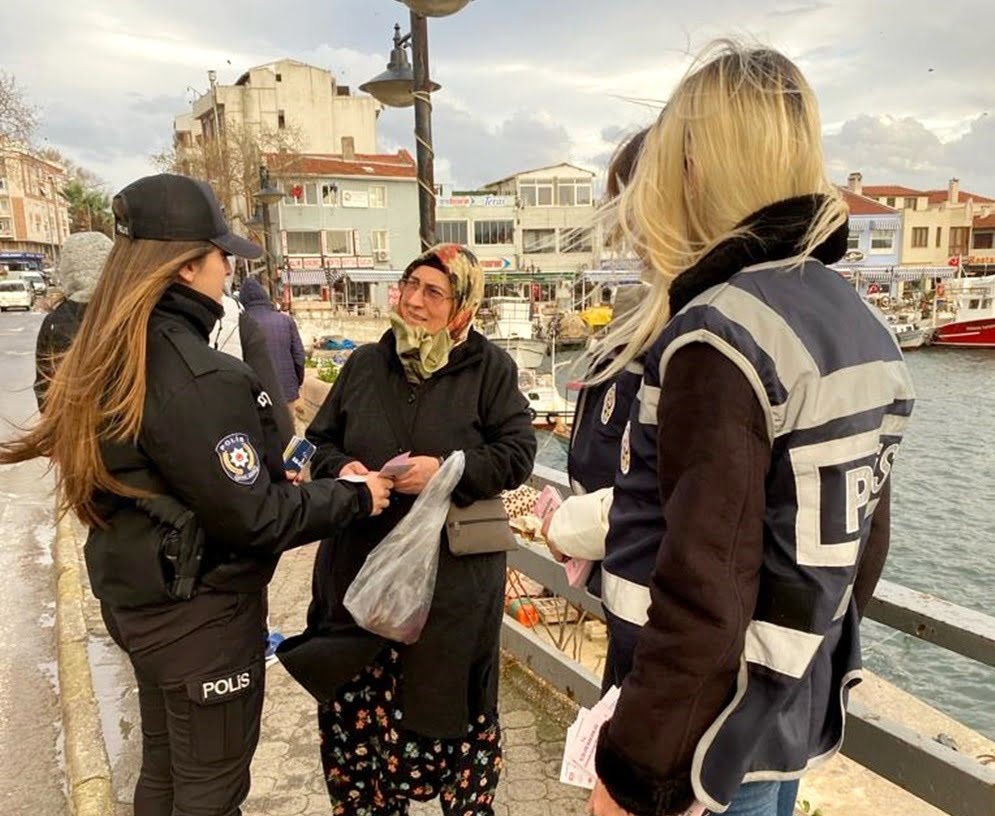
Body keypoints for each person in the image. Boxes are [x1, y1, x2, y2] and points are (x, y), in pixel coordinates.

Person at [586, 43, 916, 816]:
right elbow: (862, 544)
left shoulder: (720, 333)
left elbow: (703, 589)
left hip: (696, 744)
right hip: (782, 714)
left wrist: (635, 774)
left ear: (694, 169)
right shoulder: (857, 321)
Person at [0, 172, 392, 816]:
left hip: (141, 598)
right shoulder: (194, 373)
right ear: (185, 267)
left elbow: (179, 475)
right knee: (211, 791)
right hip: (199, 615)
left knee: (165, 771)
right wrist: (357, 497)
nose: (226, 271)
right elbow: (255, 519)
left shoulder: (108, 351)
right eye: (220, 256)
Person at [280, 243, 536, 816]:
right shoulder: (368, 364)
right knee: (358, 733)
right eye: (409, 285)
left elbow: (517, 452)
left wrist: (448, 470)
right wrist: (340, 469)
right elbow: (319, 441)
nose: (414, 301)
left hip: (448, 591)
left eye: (433, 291)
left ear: (463, 305)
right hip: (359, 579)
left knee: (448, 715)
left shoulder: (490, 370)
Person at [540, 128, 649, 611]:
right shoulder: (633, 348)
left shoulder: (699, 341)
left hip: (662, 630)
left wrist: (565, 525)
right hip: (625, 601)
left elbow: (658, 499)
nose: (630, 231)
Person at [33, 231, 113, 410]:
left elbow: (43, 387)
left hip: (69, 430)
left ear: (67, 271)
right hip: (126, 429)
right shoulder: (128, 315)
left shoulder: (54, 323)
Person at [235, 276, 306, 421]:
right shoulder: (286, 320)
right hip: (286, 389)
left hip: (256, 395)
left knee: (263, 436)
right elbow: (299, 356)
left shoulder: (240, 323)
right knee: (289, 436)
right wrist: (296, 382)